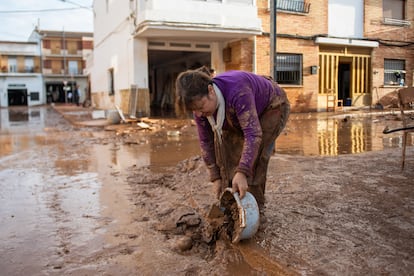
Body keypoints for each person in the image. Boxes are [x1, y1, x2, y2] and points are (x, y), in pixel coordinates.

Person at [175, 67, 290, 212]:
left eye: (201, 107)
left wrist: (242, 172)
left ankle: (254, 208)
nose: (199, 113)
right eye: (194, 110)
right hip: (235, 109)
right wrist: (215, 177)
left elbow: (253, 134)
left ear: (211, 90)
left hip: (271, 106)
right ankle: (231, 203)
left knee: (254, 160)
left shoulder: (238, 91)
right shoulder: (201, 110)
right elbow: (206, 142)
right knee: (228, 152)